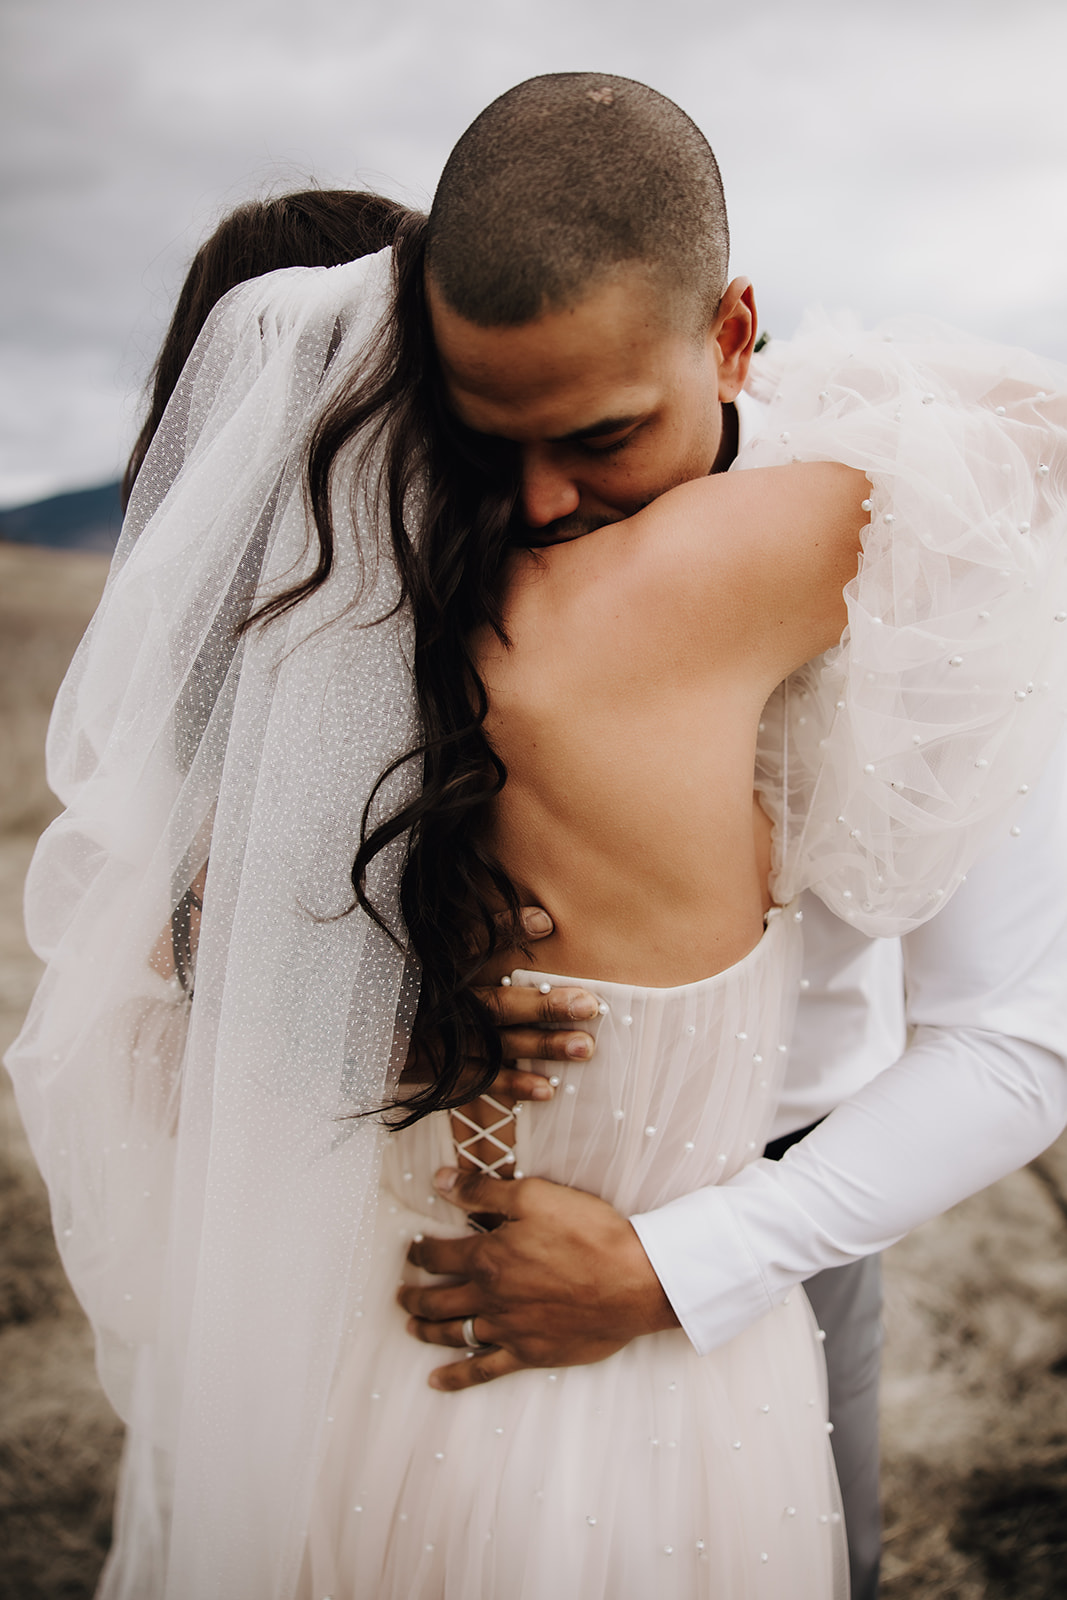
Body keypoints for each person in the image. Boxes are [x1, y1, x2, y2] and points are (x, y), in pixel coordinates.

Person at [5, 72, 1067, 1600]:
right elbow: (210, 913)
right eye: (480, 439)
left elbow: (1014, 1043)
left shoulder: (927, 554)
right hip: (400, 1293)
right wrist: (366, 977)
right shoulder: (423, 592)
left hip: (783, 1238)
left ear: (732, 335)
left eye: (600, 439)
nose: (539, 502)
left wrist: (672, 1273)